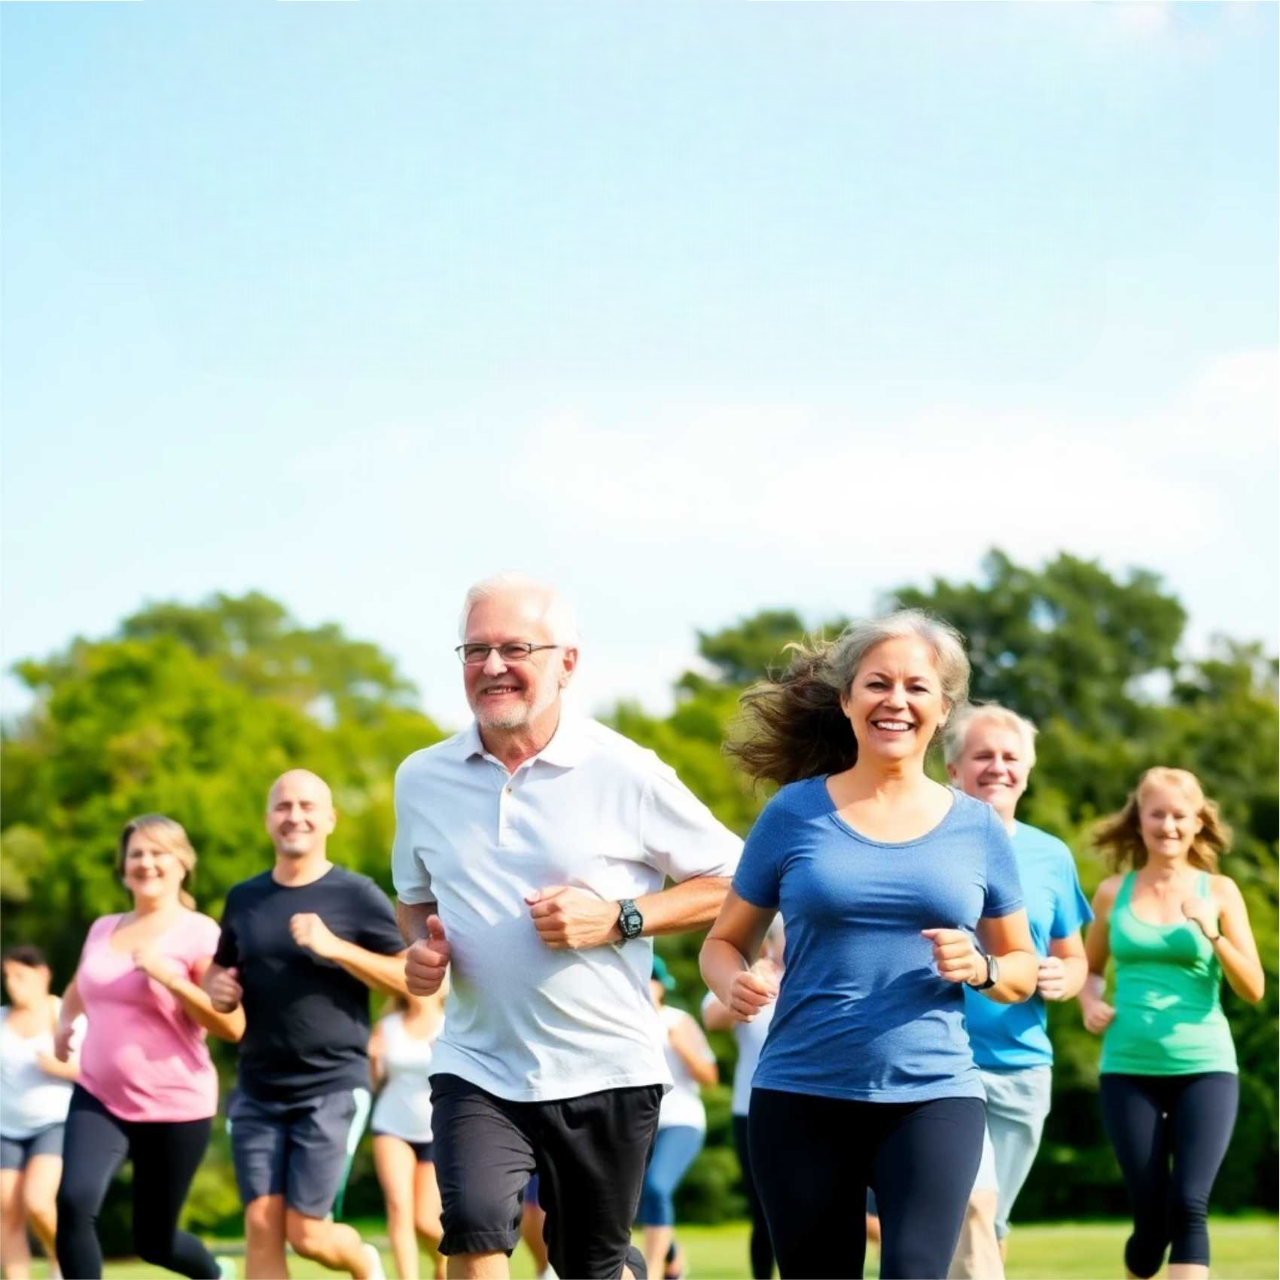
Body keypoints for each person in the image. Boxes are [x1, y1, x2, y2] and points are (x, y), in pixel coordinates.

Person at [393, 573, 742, 1280]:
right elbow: (414, 898)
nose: (491, 667)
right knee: (471, 1227)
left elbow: (738, 879)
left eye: (515, 647)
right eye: (475, 650)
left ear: (567, 662)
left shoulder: (624, 771)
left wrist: (620, 918)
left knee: (589, 1264)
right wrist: (420, 953)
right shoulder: (421, 778)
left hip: (607, 1069)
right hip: (479, 1064)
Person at [700, 610, 1038, 1280]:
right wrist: (730, 983)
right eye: (878, 683)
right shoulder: (794, 813)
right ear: (847, 699)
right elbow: (723, 943)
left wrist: (982, 965)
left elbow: (1022, 968)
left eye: (917, 687)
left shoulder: (978, 830)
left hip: (933, 1096)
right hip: (800, 1095)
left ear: (943, 708)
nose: (896, 700)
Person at [203, 769, 408, 1280]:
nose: (295, 816)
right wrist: (215, 987)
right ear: (268, 819)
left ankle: (363, 1259)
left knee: (308, 1233)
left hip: (331, 1085)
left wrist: (335, 947)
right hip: (258, 1086)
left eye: (307, 806)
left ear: (330, 819)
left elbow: (412, 978)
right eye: (283, 806)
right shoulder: (243, 898)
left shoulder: (356, 895)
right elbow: (218, 965)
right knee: (260, 1222)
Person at [1080, 767, 1264, 1280]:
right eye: (1156, 814)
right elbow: (1089, 970)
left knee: (1189, 1203)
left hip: (1204, 1065)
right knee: (1151, 1219)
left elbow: (1253, 988)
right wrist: (1089, 1002)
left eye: (1180, 815)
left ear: (1198, 822)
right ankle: (1143, 1253)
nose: (1168, 825)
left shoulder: (1221, 891)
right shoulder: (1113, 892)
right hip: (1128, 1067)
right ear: (1138, 821)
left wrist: (1214, 933)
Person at [52, 815, 244, 1280]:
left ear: (183, 864)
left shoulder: (200, 932)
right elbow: (86, 979)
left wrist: (168, 976)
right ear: (123, 868)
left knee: (153, 1242)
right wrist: (63, 1021)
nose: (146, 862)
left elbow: (232, 1025)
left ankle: (214, 1274)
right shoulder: (103, 929)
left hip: (176, 1105)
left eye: (159, 852)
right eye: (136, 853)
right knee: (73, 1203)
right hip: (99, 1094)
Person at [943, 705, 1094, 1279]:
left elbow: (1073, 956)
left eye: (1010, 758)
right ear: (954, 767)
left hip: (1024, 1066)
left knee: (989, 1224)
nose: (998, 767)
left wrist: (1065, 976)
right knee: (972, 1206)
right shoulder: (927, 837)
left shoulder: (1051, 854)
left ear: (1028, 772)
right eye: (983, 755)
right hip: (944, 1058)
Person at [702, 919, 784, 1280]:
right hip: (750, 1109)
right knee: (763, 1210)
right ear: (769, 943)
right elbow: (713, 1019)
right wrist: (750, 983)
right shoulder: (749, 976)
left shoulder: (818, 976)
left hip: (812, 1106)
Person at [1, 945, 81, 1280]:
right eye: (7, 977)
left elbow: (95, 1071)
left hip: (54, 1123)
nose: (12, 984)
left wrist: (58, 1068)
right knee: (6, 1210)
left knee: (37, 1201)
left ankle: (59, 1258)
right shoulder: (2, 1019)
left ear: (43, 974)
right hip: (6, 1127)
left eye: (21, 976)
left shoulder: (64, 1015)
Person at [638, 956, 717, 1280]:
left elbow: (709, 1076)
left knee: (656, 1188)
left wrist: (681, 1047)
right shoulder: (621, 1023)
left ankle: (653, 1273)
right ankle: (672, 1257)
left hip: (681, 1120)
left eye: (655, 980)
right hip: (640, 1124)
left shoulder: (678, 1020)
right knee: (635, 1198)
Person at [369, 989, 448, 1280]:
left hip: (434, 1130)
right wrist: (373, 1060)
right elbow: (375, 1083)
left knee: (425, 1220)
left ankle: (444, 1260)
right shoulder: (388, 1025)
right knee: (398, 1207)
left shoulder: (450, 1024)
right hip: (391, 1126)